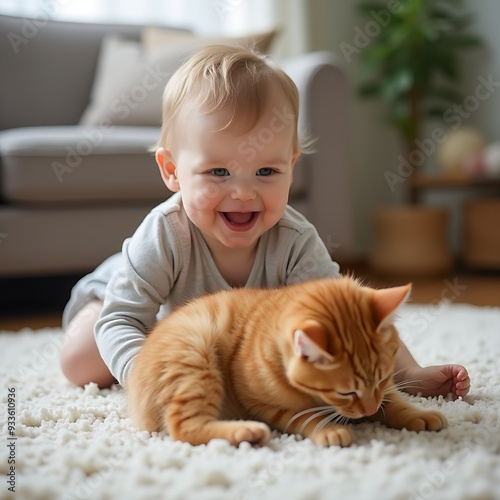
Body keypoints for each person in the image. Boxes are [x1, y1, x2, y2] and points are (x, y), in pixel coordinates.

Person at [60, 44, 470, 400]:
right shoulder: (165, 233)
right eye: (219, 172)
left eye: (266, 173)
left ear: (291, 167)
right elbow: (122, 321)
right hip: (125, 289)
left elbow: (354, 319)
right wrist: (146, 375)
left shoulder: (294, 240)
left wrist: (409, 373)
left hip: (212, 327)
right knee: (80, 363)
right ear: (171, 171)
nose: (243, 193)